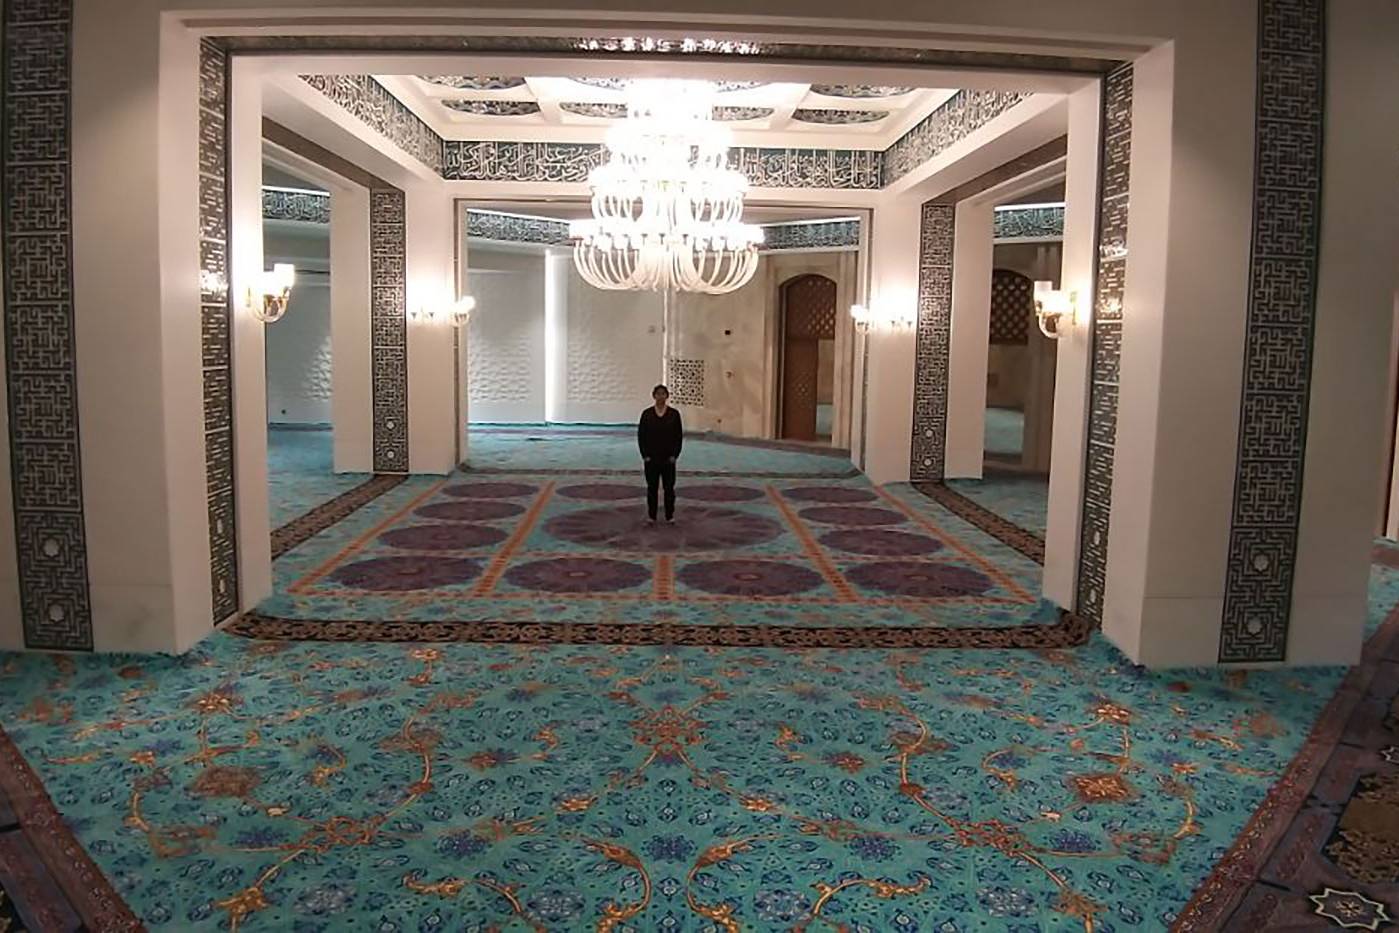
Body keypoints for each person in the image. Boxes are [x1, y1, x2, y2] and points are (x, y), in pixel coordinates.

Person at [637, 384, 683, 525]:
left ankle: (670, 516)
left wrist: (675, 455)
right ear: (654, 396)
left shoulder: (674, 414)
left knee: (669, 488)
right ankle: (652, 516)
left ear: (667, 396)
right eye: (658, 394)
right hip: (651, 458)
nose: (660, 396)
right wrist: (645, 455)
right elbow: (641, 436)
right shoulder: (647, 414)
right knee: (652, 488)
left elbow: (678, 436)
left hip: (668, 458)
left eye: (663, 394)